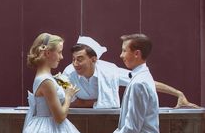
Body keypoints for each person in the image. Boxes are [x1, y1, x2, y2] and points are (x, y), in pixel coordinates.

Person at [63, 36, 199, 109]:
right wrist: (99, 102)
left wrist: (178, 93)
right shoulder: (67, 73)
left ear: (93, 59)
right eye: (73, 59)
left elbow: (144, 81)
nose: (75, 64)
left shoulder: (109, 71)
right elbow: (67, 101)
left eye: (80, 59)